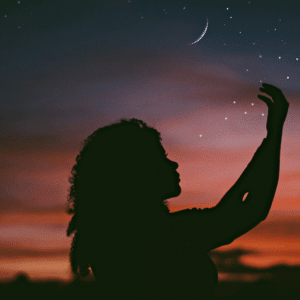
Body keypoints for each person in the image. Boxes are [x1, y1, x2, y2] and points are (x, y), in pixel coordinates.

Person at [65, 83, 289, 299]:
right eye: (162, 158)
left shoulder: (120, 236)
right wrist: (274, 133)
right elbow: (248, 209)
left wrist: (269, 141)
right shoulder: (158, 238)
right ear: (137, 173)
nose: (174, 165)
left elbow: (229, 210)